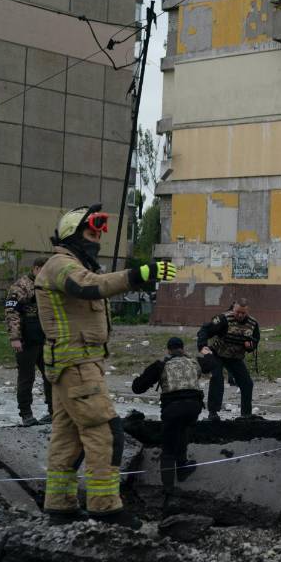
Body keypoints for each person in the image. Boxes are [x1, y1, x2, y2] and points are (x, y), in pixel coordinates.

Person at [35, 203, 175, 526]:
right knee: (105, 431)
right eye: (91, 232)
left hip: (75, 366)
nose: (96, 240)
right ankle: (105, 506)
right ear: (72, 234)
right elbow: (88, 286)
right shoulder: (60, 265)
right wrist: (139, 274)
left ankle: (60, 505)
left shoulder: (69, 264)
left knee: (67, 439)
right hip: (77, 366)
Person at [131, 337, 205, 494]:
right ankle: (183, 468)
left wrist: (146, 376)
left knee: (169, 447)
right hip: (194, 406)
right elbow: (211, 364)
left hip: (173, 408)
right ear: (183, 349)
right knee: (183, 430)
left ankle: (168, 489)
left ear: (168, 350)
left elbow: (137, 388)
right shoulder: (194, 361)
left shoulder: (161, 364)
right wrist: (208, 353)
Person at [5, 256, 52, 426]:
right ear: (36, 268)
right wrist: (15, 338)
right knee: (27, 378)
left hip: (45, 339)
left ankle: (53, 411)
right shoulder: (21, 287)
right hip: (26, 340)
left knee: (51, 376)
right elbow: (12, 313)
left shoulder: (47, 287)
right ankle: (26, 414)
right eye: (45, 270)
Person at [196, 299, 261, 422]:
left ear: (247, 311)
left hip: (235, 358)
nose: (240, 315)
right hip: (218, 354)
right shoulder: (223, 319)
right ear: (233, 309)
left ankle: (246, 414)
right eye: (238, 312)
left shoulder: (253, 323)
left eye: (243, 313)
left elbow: (256, 340)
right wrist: (202, 345)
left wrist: (251, 345)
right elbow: (205, 329)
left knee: (247, 383)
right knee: (217, 379)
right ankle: (213, 413)